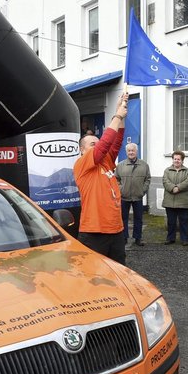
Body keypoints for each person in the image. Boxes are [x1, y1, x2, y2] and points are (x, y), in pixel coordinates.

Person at [73, 92, 129, 264]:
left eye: (98, 142)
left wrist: (121, 110)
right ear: (82, 150)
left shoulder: (106, 161)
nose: (97, 145)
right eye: (92, 144)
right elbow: (105, 143)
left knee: (119, 275)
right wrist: (117, 114)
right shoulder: (82, 164)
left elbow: (116, 140)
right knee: (95, 279)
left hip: (116, 230)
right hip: (94, 232)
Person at [115, 142, 151, 246]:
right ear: (126, 152)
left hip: (138, 197)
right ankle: (124, 237)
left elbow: (147, 179)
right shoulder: (121, 165)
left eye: (133, 150)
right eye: (129, 151)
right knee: (123, 218)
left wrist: (142, 190)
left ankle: (138, 238)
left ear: (136, 151)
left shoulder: (144, 165)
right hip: (124, 197)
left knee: (138, 218)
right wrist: (121, 189)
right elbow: (115, 179)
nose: (131, 152)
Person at [162, 150, 188, 245]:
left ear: (182, 160)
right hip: (169, 201)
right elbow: (165, 181)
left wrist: (178, 188)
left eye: (179, 159)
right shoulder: (167, 170)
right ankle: (170, 238)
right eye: (175, 159)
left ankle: (185, 239)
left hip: (183, 201)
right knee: (171, 221)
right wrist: (172, 188)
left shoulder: (187, 171)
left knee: (184, 221)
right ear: (172, 160)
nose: (176, 161)